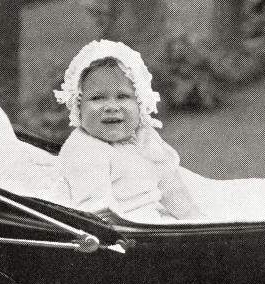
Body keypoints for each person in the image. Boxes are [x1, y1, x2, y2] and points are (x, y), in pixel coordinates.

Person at [54, 40, 205, 223]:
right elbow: (96, 212)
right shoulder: (84, 149)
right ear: (78, 105)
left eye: (123, 96)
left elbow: (168, 184)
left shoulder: (144, 137)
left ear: (140, 102)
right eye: (97, 98)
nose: (111, 107)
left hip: (153, 222)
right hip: (123, 232)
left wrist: (192, 219)